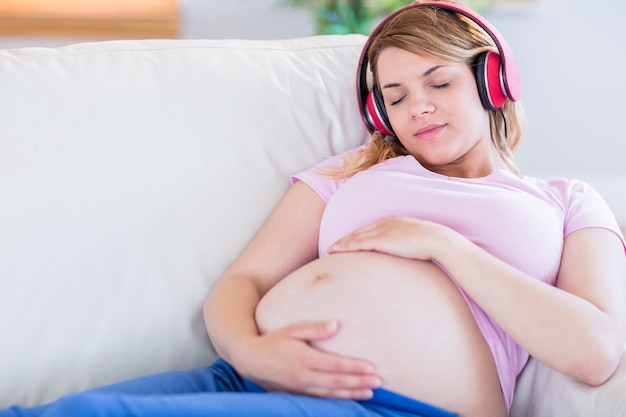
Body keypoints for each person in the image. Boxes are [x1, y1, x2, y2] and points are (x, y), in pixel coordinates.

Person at [3, 1, 625, 416]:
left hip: (386, 405)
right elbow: (244, 281)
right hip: (243, 376)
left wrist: (444, 245)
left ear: (493, 83)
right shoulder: (353, 170)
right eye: (397, 96)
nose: (419, 109)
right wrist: (250, 351)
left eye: (440, 82)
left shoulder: (566, 202)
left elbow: (594, 350)